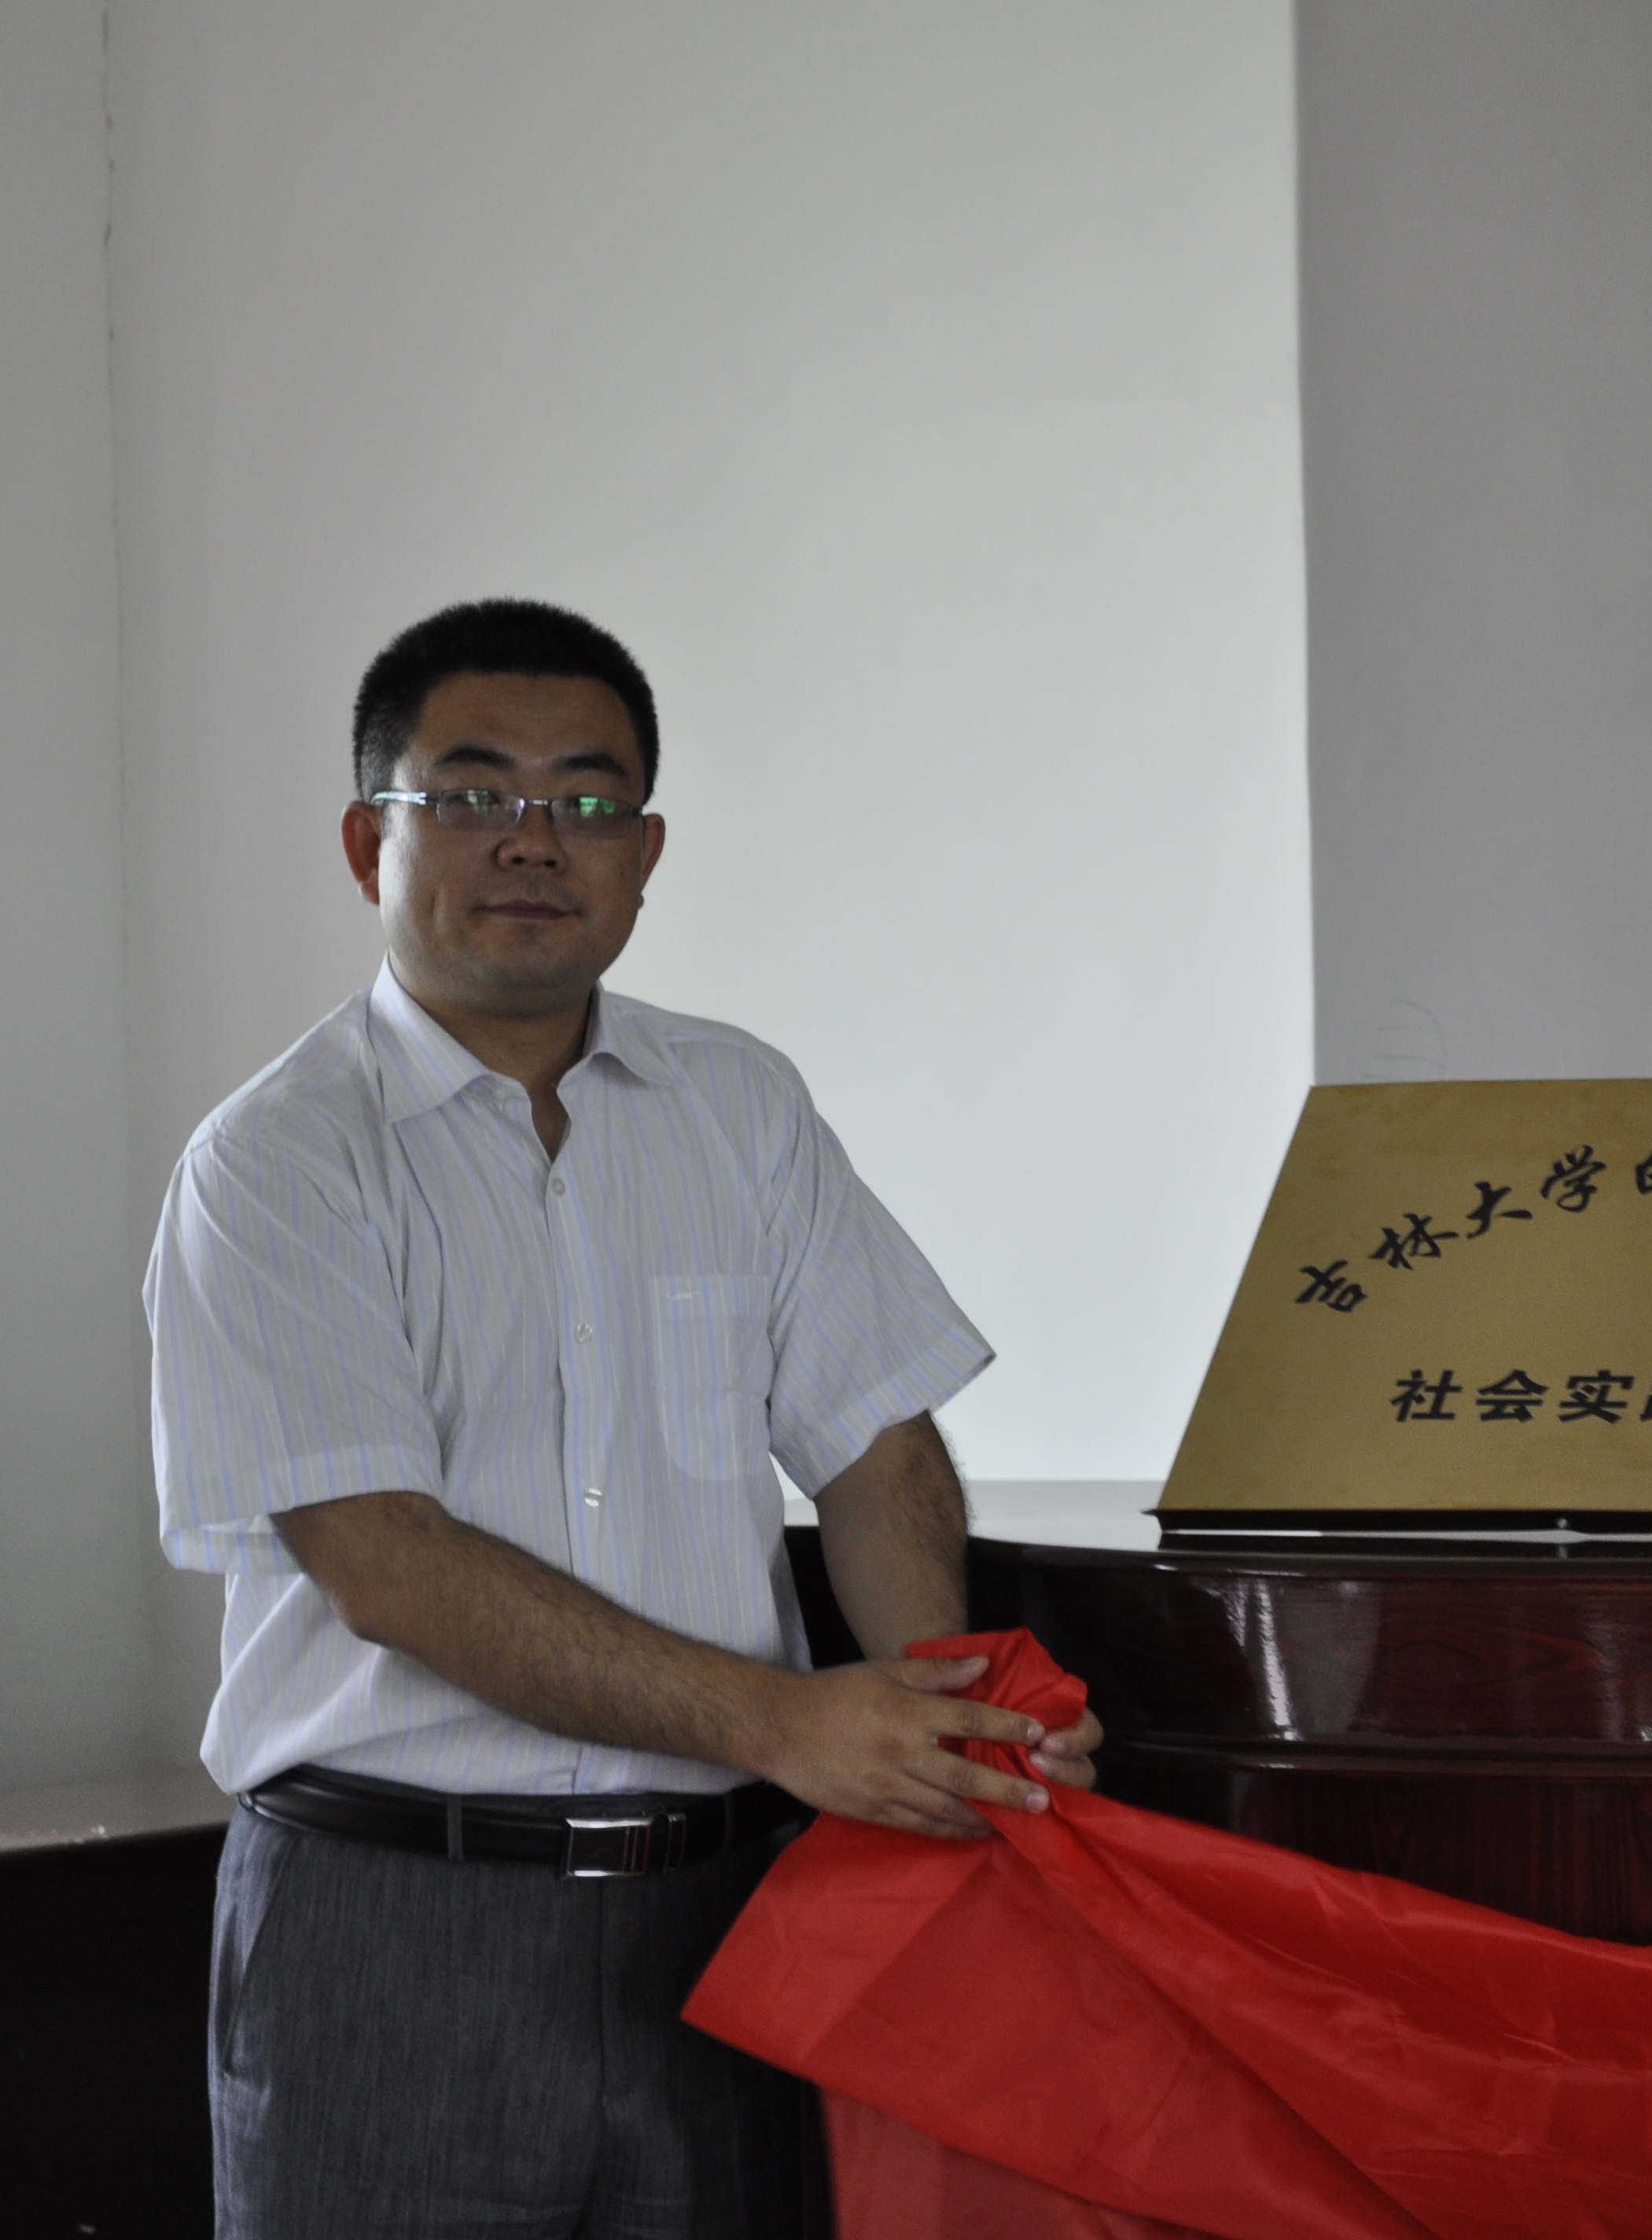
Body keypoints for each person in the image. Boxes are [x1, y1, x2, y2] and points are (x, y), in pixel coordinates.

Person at [147, 599, 1103, 2239]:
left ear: (646, 854)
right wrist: (787, 1725)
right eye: (473, 793)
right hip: (396, 1922)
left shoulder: (741, 1105)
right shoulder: (275, 1159)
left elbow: (872, 1441)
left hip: (722, 1919)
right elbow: (384, 1560)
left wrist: (951, 1722)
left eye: (587, 800)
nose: (535, 838)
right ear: (370, 840)